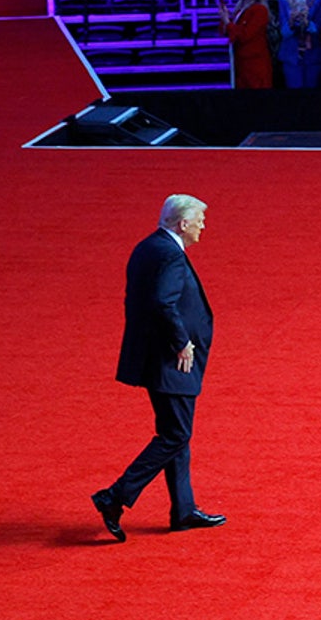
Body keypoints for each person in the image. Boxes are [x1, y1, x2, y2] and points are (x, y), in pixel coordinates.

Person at [93, 194, 224, 542]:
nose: (203, 226)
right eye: (199, 220)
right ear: (183, 223)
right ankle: (115, 496)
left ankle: (183, 510)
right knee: (175, 435)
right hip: (172, 360)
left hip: (153, 356)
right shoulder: (169, 255)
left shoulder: (147, 247)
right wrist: (182, 342)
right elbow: (163, 303)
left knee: (176, 432)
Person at [274, 0, 321, 89]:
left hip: (313, 54)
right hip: (291, 55)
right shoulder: (284, 0)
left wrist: (306, 21)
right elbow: (284, 32)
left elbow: (318, 29)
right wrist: (292, 21)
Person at [220, 0, 273, 89]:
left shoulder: (260, 10)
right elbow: (229, 32)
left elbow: (245, 35)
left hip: (254, 65)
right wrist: (225, 19)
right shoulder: (240, 8)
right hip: (241, 64)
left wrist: (228, 22)